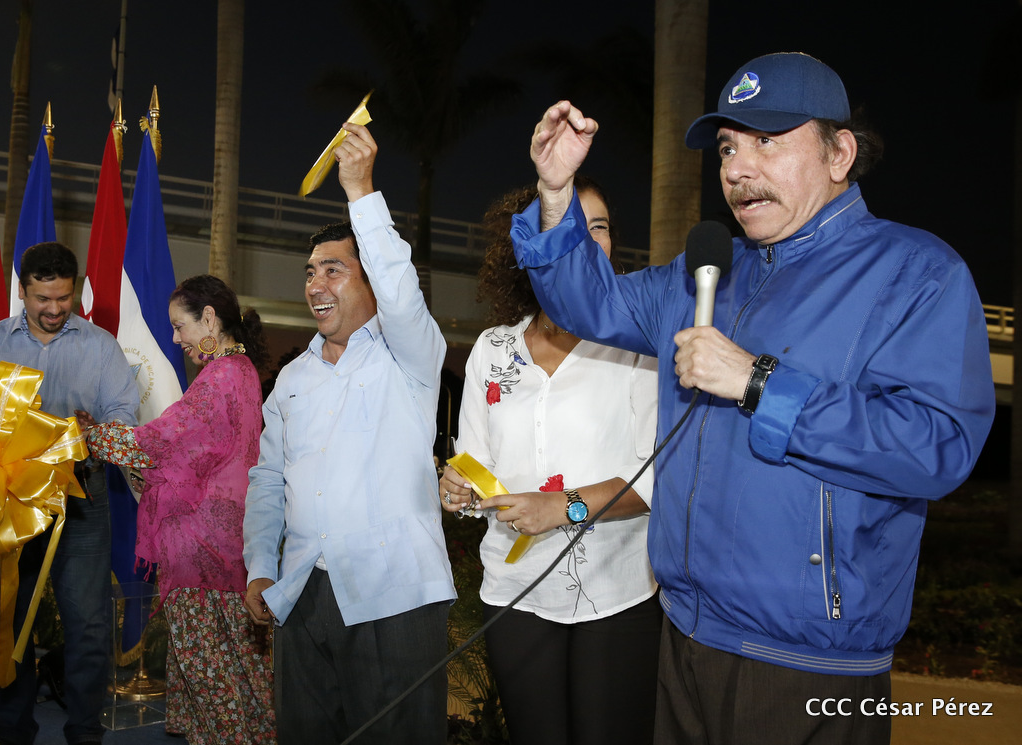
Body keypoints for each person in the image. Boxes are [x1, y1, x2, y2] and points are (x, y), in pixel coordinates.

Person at [511, 53, 995, 745]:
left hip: (810, 665)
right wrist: (556, 192)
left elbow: (936, 448)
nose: (738, 168)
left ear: (839, 154)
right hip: (684, 636)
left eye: (767, 141)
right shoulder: (702, 273)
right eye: (728, 148)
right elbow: (585, 304)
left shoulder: (917, 273)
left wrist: (759, 382)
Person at [243, 123, 456, 745]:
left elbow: (401, 289)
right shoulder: (292, 380)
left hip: (397, 596)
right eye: (310, 272)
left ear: (369, 281)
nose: (315, 285)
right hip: (303, 596)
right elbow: (268, 479)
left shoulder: (409, 356)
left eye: (334, 270)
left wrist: (360, 191)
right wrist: (260, 567)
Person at [439, 177, 661, 745]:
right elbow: (475, 462)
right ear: (532, 245)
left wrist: (560, 507)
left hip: (616, 594)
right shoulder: (492, 348)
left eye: (598, 226)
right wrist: (460, 485)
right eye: (568, 225)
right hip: (513, 593)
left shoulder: (640, 346)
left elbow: (657, 479)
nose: (584, 237)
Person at [0, 242, 140, 745]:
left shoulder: (101, 346)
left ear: (74, 290)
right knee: (10, 620)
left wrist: (95, 432)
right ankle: (11, 731)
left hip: (81, 499)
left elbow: (123, 415)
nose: (55, 309)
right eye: (43, 299)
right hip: (8, 500)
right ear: (22, 290)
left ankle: (85, 733)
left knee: (89, 624)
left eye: (63, 297)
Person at [83, 274, 275, 745]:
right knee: (242, 675)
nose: (174, 339)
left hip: (202, 552)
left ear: (209, 318)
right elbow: (191, 456)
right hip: (232, 548)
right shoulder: (242, 371)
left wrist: (90, 437)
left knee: (211, 678)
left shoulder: (220, 378)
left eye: (178, 326)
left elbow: (158, 443)